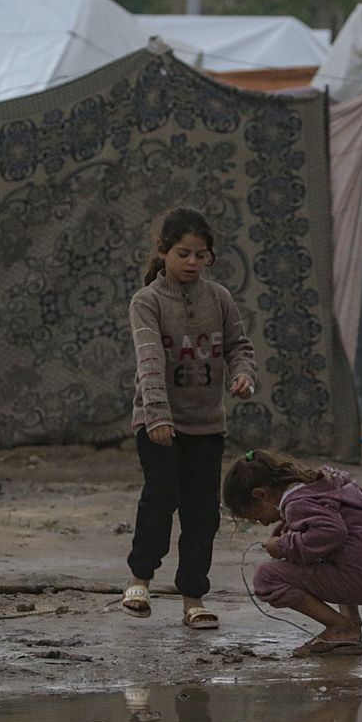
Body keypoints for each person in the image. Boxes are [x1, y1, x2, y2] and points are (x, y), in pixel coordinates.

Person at [122, 207, 257, 630]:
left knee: (203, 513)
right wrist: (158, 416)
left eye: (201, 255)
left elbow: (239, 345)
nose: (192, 263)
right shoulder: (146, 302)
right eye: (183, 254)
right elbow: (149, 362)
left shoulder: (218, 297)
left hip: (207, 425)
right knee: (160, 499)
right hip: (158, 425)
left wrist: (242, 374)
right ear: (163, 252)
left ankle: (193, 598)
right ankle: (139, 580)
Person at [222, 449, 362, 658]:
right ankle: (350, 621)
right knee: (335, 551)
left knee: (267, 577)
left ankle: (341, 628)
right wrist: (292, 533)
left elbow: (332, 532)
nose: (261, 522)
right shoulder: (325, 483)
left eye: (256, 515)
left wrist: (284, 546)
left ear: (261, 495)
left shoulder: (296, 503)